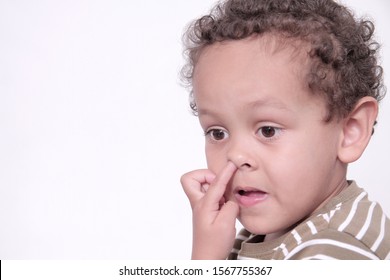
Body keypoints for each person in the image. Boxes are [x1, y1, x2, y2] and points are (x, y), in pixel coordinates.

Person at [180, 0, 390, 260]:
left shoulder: (335, 251)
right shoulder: (266, 233)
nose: (235, 155)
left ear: (350, 131)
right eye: (217, 133)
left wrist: (206, 260)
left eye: (267, 130)